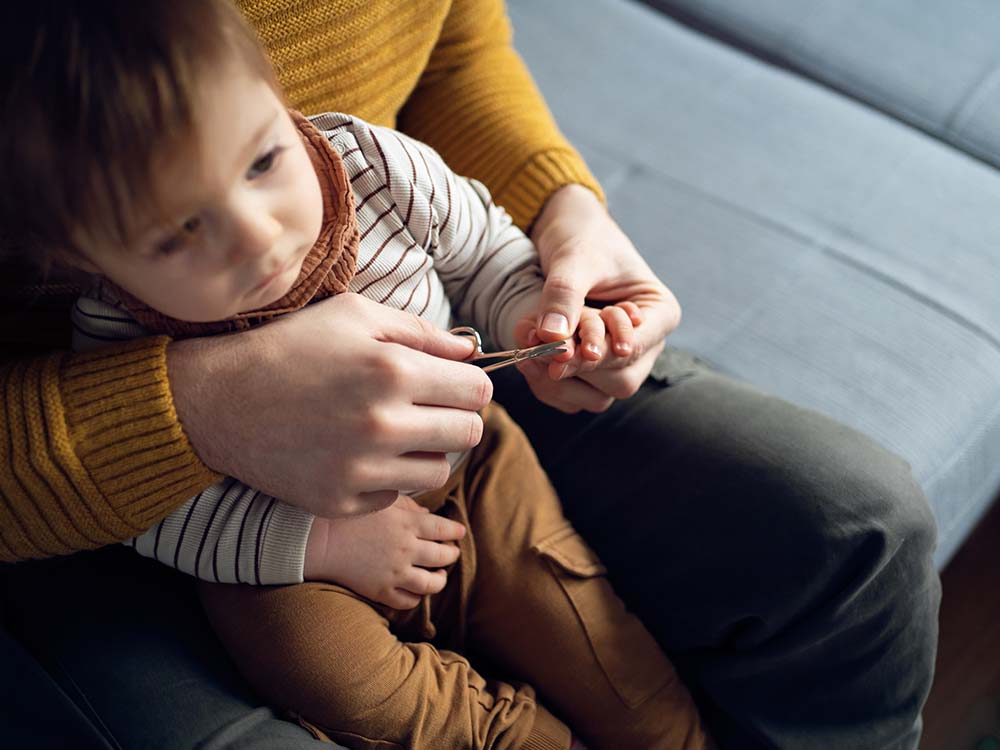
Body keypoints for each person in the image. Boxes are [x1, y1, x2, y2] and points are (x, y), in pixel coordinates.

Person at [0, 1, 939, 749]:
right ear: (88, 260)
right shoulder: (113, 326)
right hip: (284, 545)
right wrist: (314, 544)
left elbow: (481, 241)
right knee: (313, 661)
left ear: (278, 98)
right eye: (176, 233)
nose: (258, 235)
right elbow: (168, 515)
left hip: (474, 452)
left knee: (575, 606)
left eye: (264, 160)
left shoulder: (371, 163)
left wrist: (547, 291)